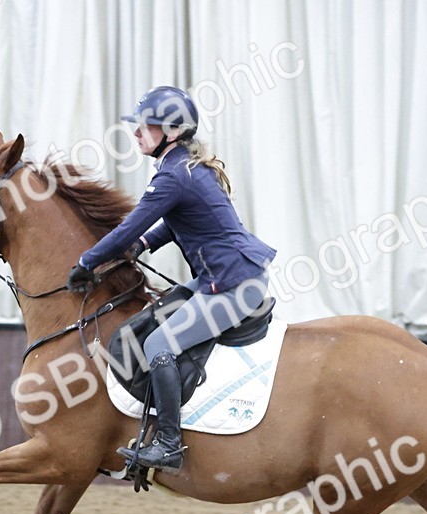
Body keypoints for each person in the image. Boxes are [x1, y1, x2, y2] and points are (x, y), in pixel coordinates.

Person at [67, 85, 276, 474]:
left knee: (158, 343)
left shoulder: (174, 176)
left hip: (233, 285)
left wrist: (87, 261)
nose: (136, 132)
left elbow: (128, 228)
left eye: (147, 126)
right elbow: (171, 222)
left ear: (174, 132)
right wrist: (144, 244)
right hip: (226, 276)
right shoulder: (183, 168)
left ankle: (168, 444)